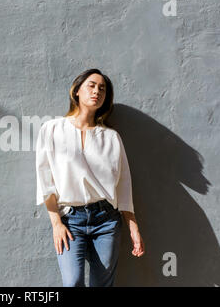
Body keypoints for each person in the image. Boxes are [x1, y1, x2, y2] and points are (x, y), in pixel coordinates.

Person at [35, 68, 145, 287]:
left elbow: (124, 186)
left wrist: (134, 228)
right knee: (72, 282)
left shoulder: (111, 138)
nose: (97, 91)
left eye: (102, 88)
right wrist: (56, 223)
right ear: (77, 91)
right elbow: (44, 181)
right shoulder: (52, 129)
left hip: (106, 221)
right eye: (91, 85)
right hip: (70, 219)